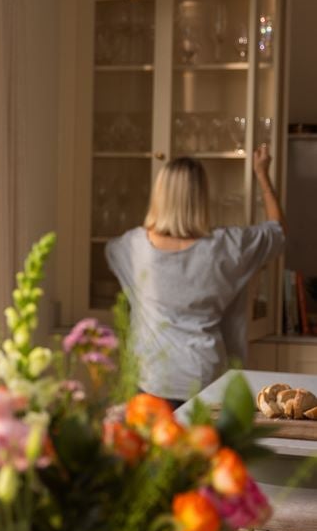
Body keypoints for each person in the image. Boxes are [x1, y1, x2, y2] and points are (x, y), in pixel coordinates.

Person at [105, 144, 286, 406]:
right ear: (202, 197)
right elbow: (277, 231)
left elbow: (111, 256)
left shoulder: (131, 246)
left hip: (151, 379)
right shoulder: (228, 245)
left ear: (160, 196)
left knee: (155, 447)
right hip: (204, 377)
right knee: (204, 447)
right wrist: (262, 173)